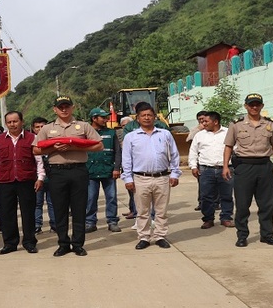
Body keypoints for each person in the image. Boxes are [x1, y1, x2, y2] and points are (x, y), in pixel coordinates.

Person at [33, 96, 103, 257]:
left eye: (67, 106)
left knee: (79, 208)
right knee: (60, 209)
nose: (64, 109)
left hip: (78, 170)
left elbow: (99, 145)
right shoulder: (47, 128)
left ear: (72, 108)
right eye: (60, 107)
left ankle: (78, 244)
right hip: (57, 172)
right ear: (55, 109)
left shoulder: (83, 126)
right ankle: (63, 243)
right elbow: (36, 150)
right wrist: (53, 149)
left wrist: (75, 147)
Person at [223, 93, 273, 247]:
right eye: (251, 104)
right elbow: (229, 146)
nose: (254, 107)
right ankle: (242, 236)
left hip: (264, 166)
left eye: (257, 104)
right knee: (243, 204)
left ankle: (267, 235)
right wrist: (225, 166)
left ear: (262, 106)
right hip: (244, 167)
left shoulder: (271, 124)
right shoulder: (236, 124)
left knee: (266, 204)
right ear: (246, 106)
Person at [121, 102, 181, 250]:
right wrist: (128, 178)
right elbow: (126, 159)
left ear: (155, 117)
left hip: (162, 177)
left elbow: (174, 155)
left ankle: (160, 236)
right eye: (143, 115)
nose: (147, 118)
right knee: (142, 211)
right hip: (141, 178)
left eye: (149, 115)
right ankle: (144, 237)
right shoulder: (130, 137)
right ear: (138, 118)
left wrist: (175, 173)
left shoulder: (165, 134)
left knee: (161, 210)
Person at [0, 111, 45, 254]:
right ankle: (10, 243)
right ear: (6, 123)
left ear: (22, 122)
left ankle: (29, 242)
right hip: (5, 181)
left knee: (28, 212)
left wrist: (40, 178)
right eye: (9, 122)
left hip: (26, 180)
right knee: (7, 213)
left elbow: (39, 160)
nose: (12, 124)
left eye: (15, 121)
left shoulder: (33, 137)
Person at [188, 111, 234, 229]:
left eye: (206, 121)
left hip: (225, 169)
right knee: (206, 196)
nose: (203, 123)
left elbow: (236, 149)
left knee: (226, 194)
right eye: (202, 121)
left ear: (215, 122)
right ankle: (208, 219)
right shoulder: (200, 135)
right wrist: (193, 166)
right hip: (206, 169)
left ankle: (226, 217)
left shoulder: (228, 133)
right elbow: (193, 151)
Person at [85, 108, 122, 233]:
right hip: (90, 172)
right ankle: (90, 222)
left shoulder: (112, 133)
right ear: (94, 118)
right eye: (103, 117)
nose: (106, 119)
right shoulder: (85, 133)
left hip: (108, 171)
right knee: (90, 198)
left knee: (111, 197)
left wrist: (117, 168)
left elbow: (117, 152)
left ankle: (112, 221)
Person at [31, 117, 55, 233]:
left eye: (43, 126)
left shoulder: (54, 141)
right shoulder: (30, 143)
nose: (40, 129)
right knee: (37, 203)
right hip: (37, 179)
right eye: (37, 127)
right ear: (33, 128)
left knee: (53, 203)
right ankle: (37, 225)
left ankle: (54, 225)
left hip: (52, 178)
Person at [186, 111, 208, 211]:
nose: (202, 121)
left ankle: (216, 202)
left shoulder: (214, 129)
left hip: (212, 160)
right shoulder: (195, 129)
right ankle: (202, 203)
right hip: (200, 161)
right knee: (202, 184)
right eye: (200, 120)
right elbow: (188, 139)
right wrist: (198, 129)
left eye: (204, 119)